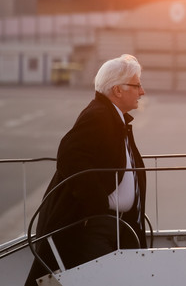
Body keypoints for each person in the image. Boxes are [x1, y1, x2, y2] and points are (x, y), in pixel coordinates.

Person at [25, 54, 147, 285]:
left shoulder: (112, 117)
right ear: (118, 90)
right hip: (97, 228)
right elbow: (70, 157)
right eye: (137, 84)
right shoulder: (99, 116)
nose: (142, 91)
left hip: (112, 225)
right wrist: (97, 205)